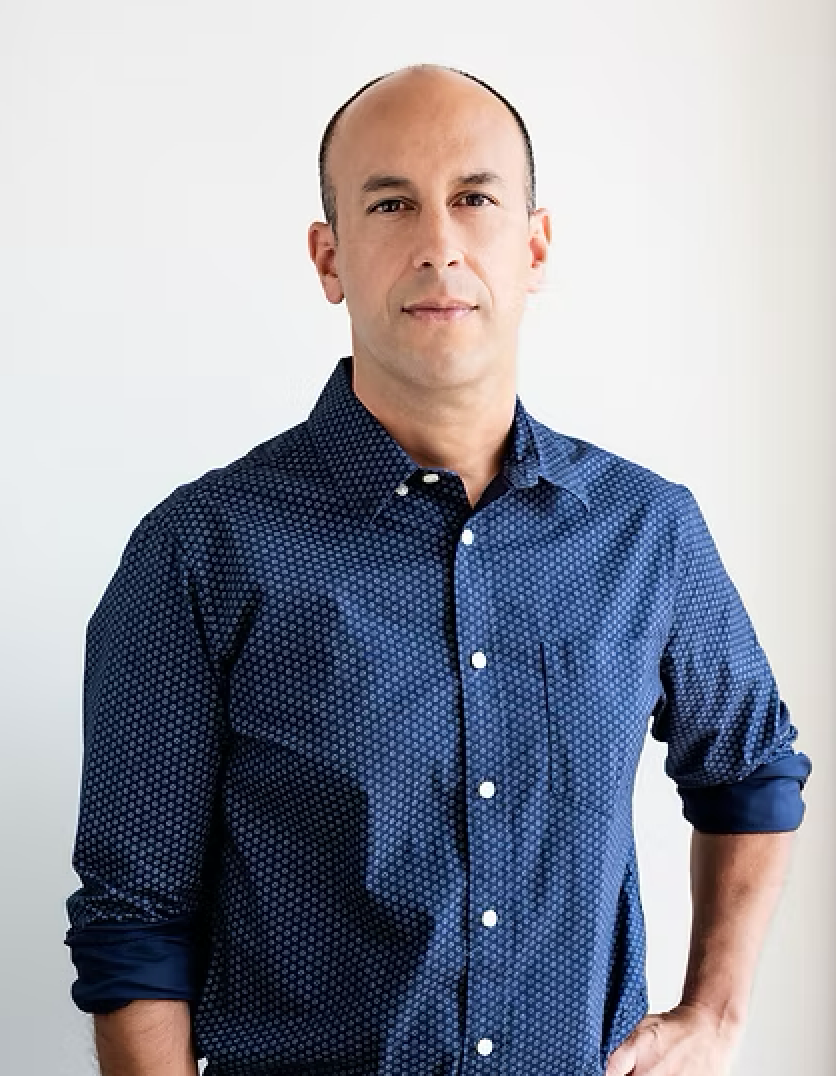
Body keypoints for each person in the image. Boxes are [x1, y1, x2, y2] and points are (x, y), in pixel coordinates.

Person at [64, 63, 812, 1076]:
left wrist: (713, 1013)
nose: (438, 244)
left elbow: (751, 769)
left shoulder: (645, 531)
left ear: (533, 243)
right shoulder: (201, 550)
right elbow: (136, 918)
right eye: (390, 203)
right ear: (329, 258)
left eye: (473, 198)